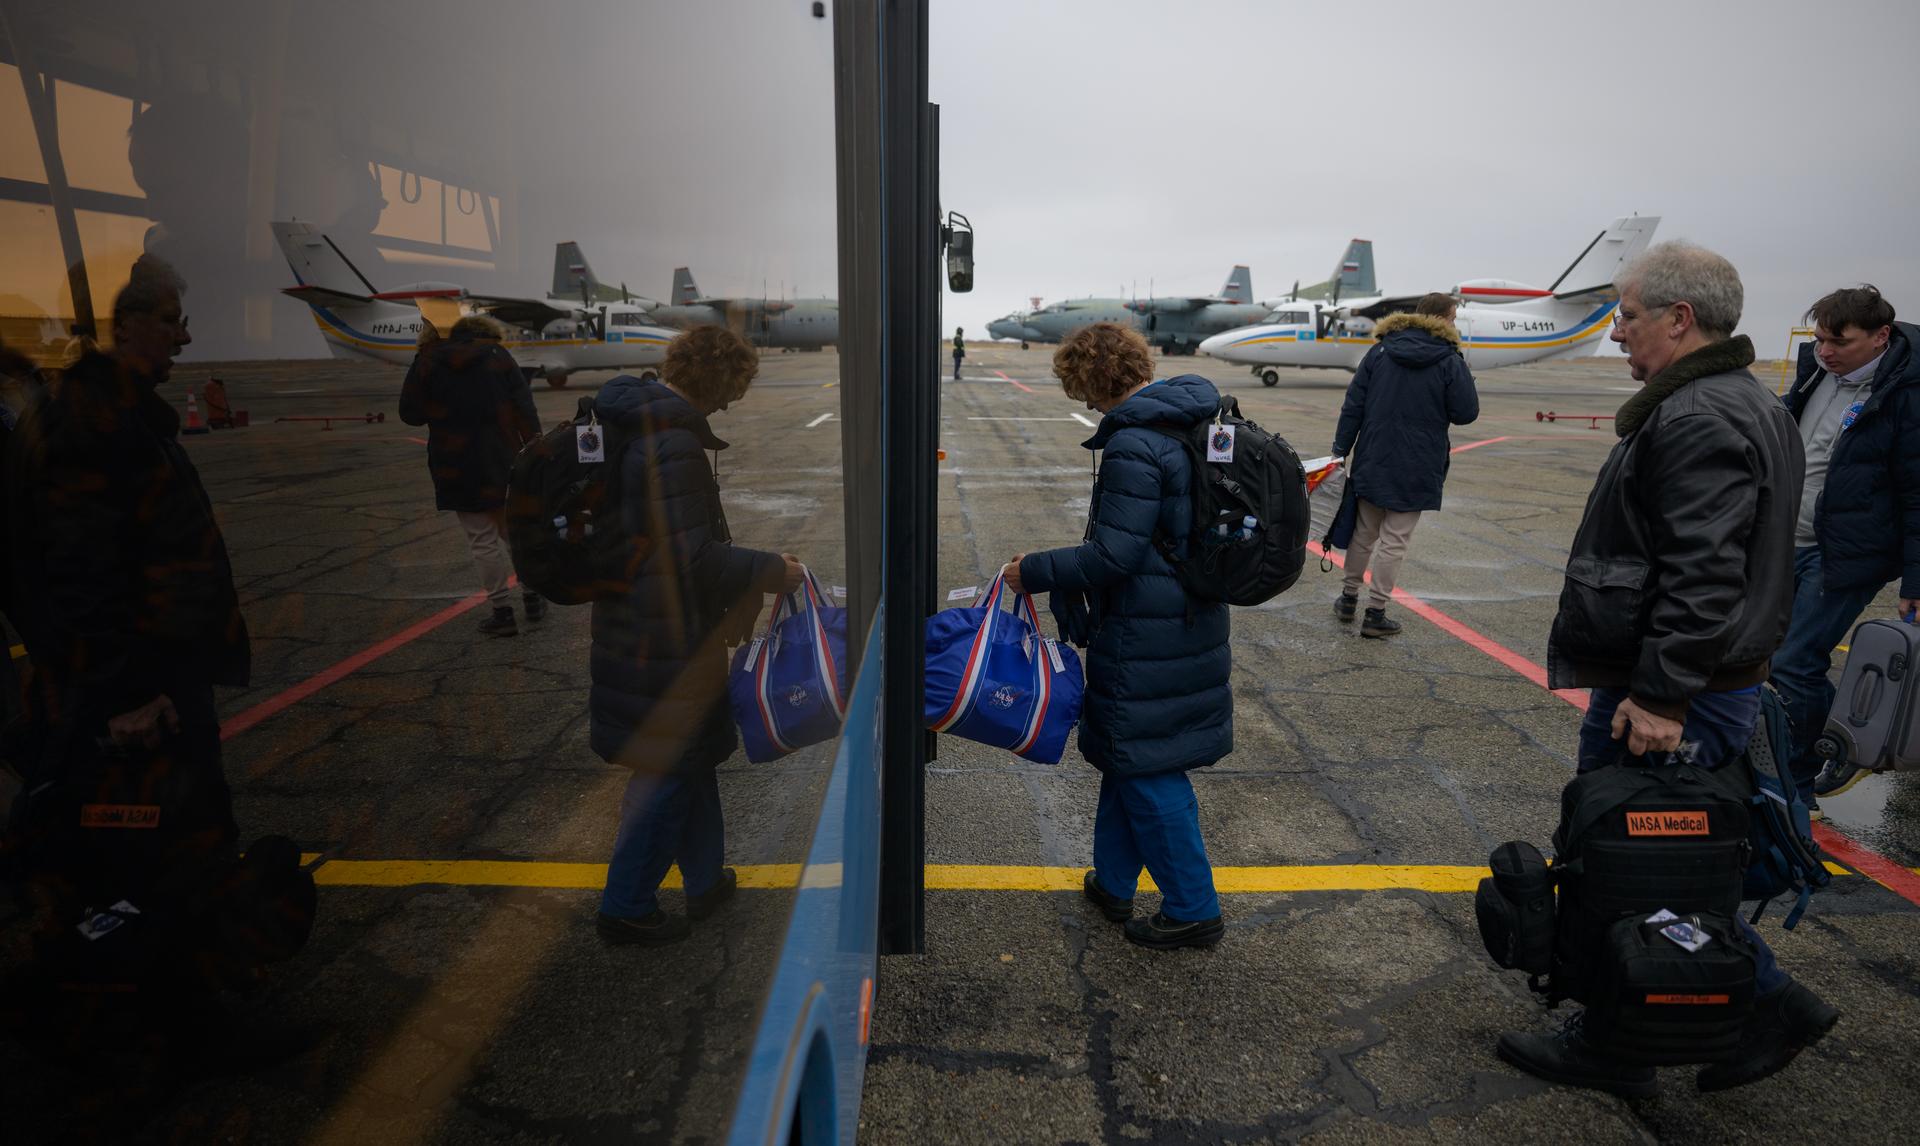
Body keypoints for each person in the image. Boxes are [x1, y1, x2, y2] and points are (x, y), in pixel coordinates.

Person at [1498, 241, 1839, 1095]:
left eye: (1628, 314)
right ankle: (1727, 1004)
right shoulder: (1739, 401)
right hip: (1695, 680)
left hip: (1680, 689)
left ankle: (1641, 1039)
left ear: (1679, 320)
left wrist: (1659, 696)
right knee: (1656, 864)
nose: (1616, 332)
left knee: (1635, 866)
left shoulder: (1699, 417)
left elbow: (1703, 572)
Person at [3, 256, 254, 1018]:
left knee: (177, 838)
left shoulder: (116, 412)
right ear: (134, 324)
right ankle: (193, 1015)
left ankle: (182, 996)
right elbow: (81, 571)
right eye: (173, 320)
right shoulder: (94, 422)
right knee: (176, 842)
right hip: (143, 682)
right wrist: (128, 691)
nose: (186, 336)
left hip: (157, 669)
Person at [1003, 322, 1231, 950]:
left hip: (1145, 632)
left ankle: (1193, 908)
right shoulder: (1191, 421)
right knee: (1130, 756)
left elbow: (1113, 556)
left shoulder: (1136, 443)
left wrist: (1034, 571)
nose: (1079, 400)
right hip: (1186, 619)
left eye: (1077, 385)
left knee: (1149, 769)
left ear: (1090, 379)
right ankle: (1112, 882)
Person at [590, 326, 803, 946]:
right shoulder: (672, 443)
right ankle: (624, 904)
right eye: (735, 388)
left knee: (693, 756)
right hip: (665, 637)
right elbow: (689, 558)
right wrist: (774, 571)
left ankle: (705, 878)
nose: (733, 403)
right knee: (665, 771)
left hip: (638, 624)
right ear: (719, 379)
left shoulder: (632, 423)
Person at [1766, 287, 1920, 801]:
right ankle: (1821, 743)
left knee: (1795, 661)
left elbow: (1919, 494)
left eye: (1840, 341)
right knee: (1768, 656)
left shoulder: (1906, 395)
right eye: (1820, 339)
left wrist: (1917, 580)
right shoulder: (1818, 374)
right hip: (1789, 538)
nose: (1827, 350)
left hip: (1845, 554)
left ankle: (1812, 763)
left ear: (1881, 337)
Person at [1329, 292, 1479, 638]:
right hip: (1419, 461)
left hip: (1374, 455)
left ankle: (1348, 598)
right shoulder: (1449, 359)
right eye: (1453, 318)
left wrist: (1341, 448)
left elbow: (1353, 404)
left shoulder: (1380, 350)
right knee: (1394, 540)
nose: (1454, 325)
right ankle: (1375, 612)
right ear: (1442, 319)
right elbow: (1466, 413)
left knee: (1364, 533)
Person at [398, 314, 542, 637]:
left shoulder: (428, 360)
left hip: (456, 461)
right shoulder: (497, 354)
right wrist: (534, 448)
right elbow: (524, 406)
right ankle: (532, 595)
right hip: (502, 456)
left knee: (481, 540)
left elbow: (410, 414)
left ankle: (502, 611)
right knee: (511, 533)